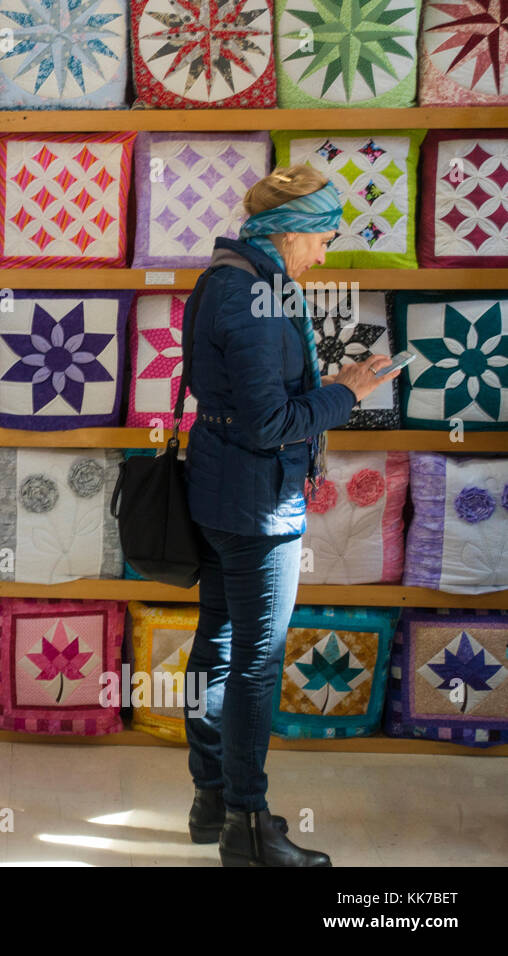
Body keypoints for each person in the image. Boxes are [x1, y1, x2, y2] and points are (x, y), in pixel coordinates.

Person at [180, 165, 401, 867]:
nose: (324, 256)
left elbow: (249, 408)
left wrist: (332, 388)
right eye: (323, 239)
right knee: (254, 662)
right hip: (254, 503)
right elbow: (270, 422)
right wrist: (346, 392)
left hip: (221, 494)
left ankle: (212, 798)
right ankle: (248, 826)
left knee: (218, 645)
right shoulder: (249, 294)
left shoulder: (229, 277)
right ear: (292, 230)